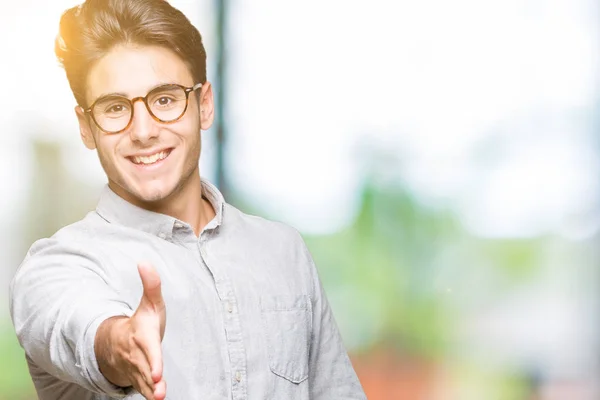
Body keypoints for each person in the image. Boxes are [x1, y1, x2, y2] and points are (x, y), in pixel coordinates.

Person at [9, 0, 366, 399]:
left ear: (204, 105)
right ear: (87, 128)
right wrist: (121, 342)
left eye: (164, 99)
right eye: (114, 108)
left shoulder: (284, 252)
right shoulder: (55, 269)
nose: (143, 131)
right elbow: (78, 326)